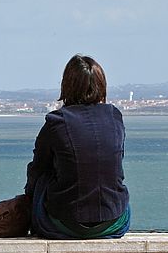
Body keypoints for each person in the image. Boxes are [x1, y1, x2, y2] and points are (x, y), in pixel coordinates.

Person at [25, 54, 131, 239]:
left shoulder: (56, 122)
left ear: (67, 85)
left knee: (43, 177)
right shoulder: (115, 117)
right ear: (102, 85)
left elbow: (38, 168)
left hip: (65, 224)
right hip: (113, 222)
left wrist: (28, 199)